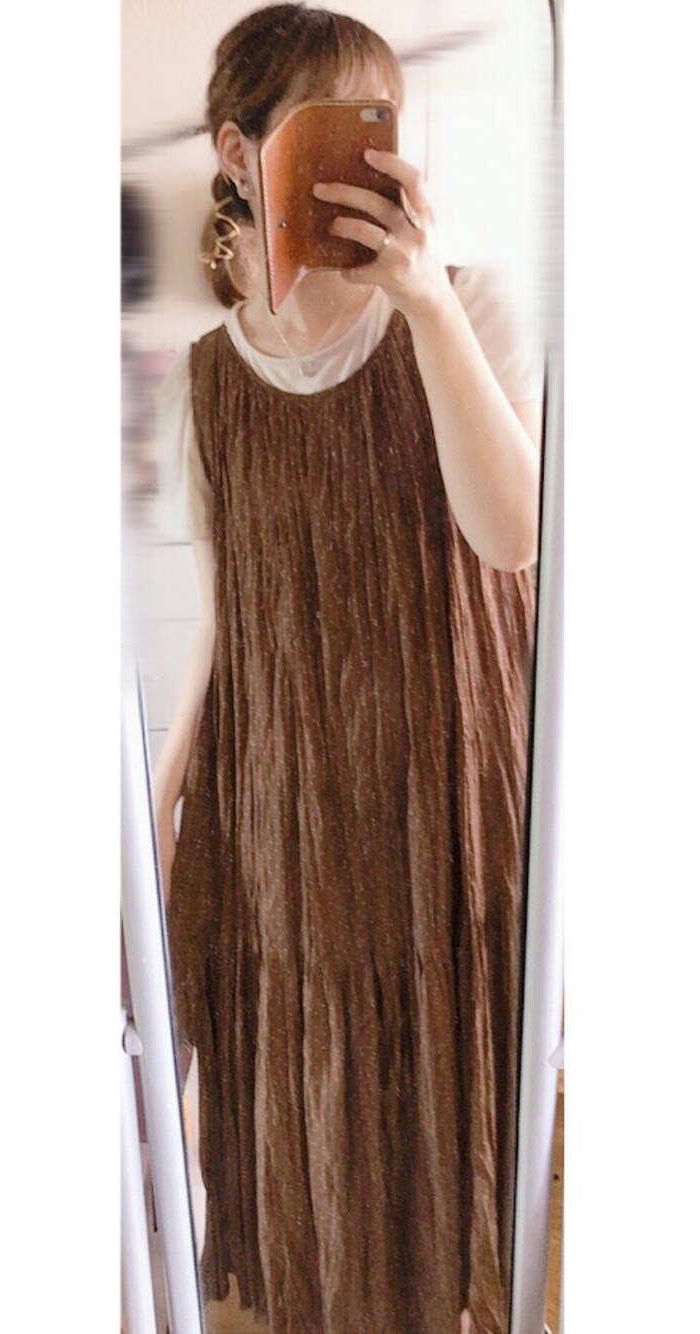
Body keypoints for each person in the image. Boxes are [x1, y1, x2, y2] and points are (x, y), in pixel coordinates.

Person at [151, 7, 542, 1333]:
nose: (365, 159)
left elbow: (514, 536)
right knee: (323, 1129)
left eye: (381, 127)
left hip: (448, 798)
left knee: (457, 1116)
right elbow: (230, 616)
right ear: (239, 151)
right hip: (301, 814)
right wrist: (162, 796)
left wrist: (423, 302)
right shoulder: (209, 380)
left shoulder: (468, 304)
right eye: (331, 127)